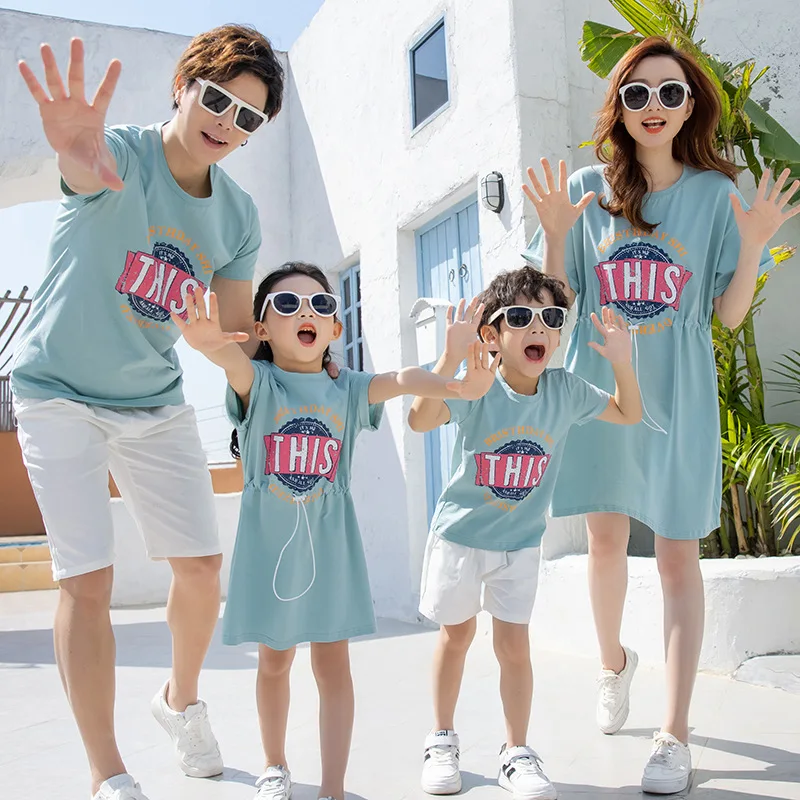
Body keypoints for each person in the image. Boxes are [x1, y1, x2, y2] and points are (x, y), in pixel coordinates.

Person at [11, 26, 286, 800]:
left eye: (249, 118)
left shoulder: (237, 217)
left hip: (152, 399)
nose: (228, 122)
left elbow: (232, 344)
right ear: (184, 86)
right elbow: (82, 170)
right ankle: (108, 773)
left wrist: (221, 349)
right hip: (56, 390)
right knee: (86, 581)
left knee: (201, 571)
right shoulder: (122, 153)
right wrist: (72, 148)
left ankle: (179, 700)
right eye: (218, 99)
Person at [522, 36, 800, 795]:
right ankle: (614, 665)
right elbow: (556, 307)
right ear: (619, 105)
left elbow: (730, 316)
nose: (653, 106)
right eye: (637, 92)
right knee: (605, 543)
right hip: (602, 391)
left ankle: (673, 735)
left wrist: (750, 247)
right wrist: (553, 234)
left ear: (691, 106)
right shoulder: (586, 190)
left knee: (679, 556)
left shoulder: (714, 195)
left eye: (670, 93)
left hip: (678, 390)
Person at [174, 260, 497, 800]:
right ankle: (273, 767)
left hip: (330, 544)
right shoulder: (261, 381)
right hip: (268, 543)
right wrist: (208, 344)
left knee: (333, 664)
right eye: (286, 304)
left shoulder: (346, 387)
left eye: (321, 304)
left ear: (335, 328)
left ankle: (333, 787)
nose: (307, 311)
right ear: (262, 328)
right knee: (274, 661)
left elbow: (400, 381)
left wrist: (457, 382)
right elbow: (230, 362)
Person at [408, 266, 642, 799]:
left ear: (559, 334)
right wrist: (449, 363)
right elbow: (420, 421)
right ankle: (441, 739)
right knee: (457, 636)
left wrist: (623, 364)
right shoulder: (476, 382)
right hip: (460, 538)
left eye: (550, 317)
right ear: (491, 335)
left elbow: (630, 413)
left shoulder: (564, 390)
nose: (537, 326)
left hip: (519, 544)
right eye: (519, 316)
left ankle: (516, 751)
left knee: (515, 647)